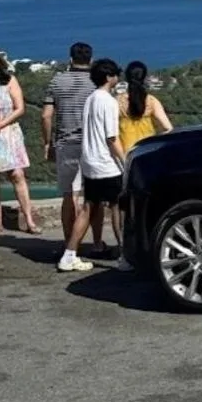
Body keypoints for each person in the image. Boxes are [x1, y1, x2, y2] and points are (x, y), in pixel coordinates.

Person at [57, 59, 129, 273]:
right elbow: (112, 137)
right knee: (117, 208)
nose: (118, 77)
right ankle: (125, 256)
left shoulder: (91, 98)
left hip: (89, 162)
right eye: (116, 74)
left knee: (89, 207)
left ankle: (69, 254)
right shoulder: (108, 101)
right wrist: (125, 161)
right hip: (106, 164)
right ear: (109, 77)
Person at [42, 42, 104, 250]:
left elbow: (46, 116)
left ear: (70, 60)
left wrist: (47, 143)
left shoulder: (57, 81)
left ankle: (70, 243)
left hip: (66, 143)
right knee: (94, 196)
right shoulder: (96, 83)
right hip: (93, 144)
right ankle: (96, 242)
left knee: (69, 195)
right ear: (91, 60)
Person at [0, 45, 39, 235]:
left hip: (8, 132)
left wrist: (0, 125)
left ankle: (29, 219)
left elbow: (19, 108)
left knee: (17, 175)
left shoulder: (9, 80)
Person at [117, 61, 173, 152]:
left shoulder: (118, 102)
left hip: (126, 153)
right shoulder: (151, 101)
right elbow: (168, 128)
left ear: (126, 77)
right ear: (144, 78)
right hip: (147, 151)